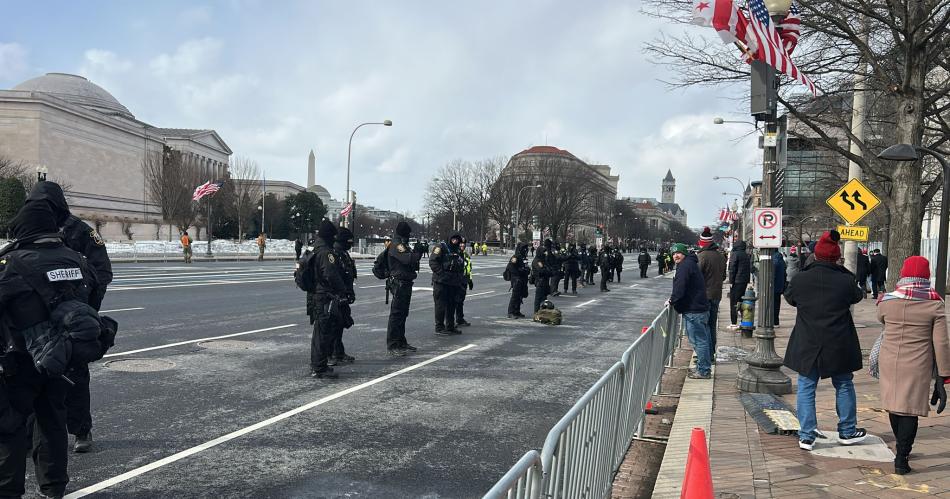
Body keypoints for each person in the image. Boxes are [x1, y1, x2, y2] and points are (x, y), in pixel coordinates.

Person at [0, 201, 104, 498]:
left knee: (10, 429)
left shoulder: (12, 265)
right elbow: (94, 295)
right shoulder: (76, 260)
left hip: (18, 359)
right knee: (52, 422)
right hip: (62, 358)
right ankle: (54, 488)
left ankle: (8, 491)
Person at [26, 181, 114, 453]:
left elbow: (102, 272)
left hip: (73, 316)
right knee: (32, 374)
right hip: (38, 320)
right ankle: (29, 436)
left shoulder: (80, 232)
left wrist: (86, 308)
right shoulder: (31, 229)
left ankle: (81, 430)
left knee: (75, 374)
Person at [783, 231, 866, 451]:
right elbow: (858, 296)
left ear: (816, 256)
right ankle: (847, 430)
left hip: (808, 340)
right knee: (844, 384)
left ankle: (807, 435)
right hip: (838, 341)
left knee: (806, 386)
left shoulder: (801, 279)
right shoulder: (845, 280)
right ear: (836, 257)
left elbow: (790, 298)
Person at [876, 256, 950, 475]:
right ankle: (902, 456)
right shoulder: (935, 304)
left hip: (889, 360)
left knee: (894, 404)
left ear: (903, 273)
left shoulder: (887, 301)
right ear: (927, 276)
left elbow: (881, 320)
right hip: (918, 363)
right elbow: (941, 342)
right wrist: (944, 376)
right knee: (909, 411)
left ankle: (901, 445)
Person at [308, 220, 346, 379]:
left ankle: (319, 365)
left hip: (317, 294)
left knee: (320, 331)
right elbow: (331, 274)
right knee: (323, 332)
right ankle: (319, 367)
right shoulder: (326, 253)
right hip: (325, 296)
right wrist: (342, 290)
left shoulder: (315, 250)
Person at [669, 243, 711, 379]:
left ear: (684, 254)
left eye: (679, 253)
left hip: (694, 309)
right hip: (698, 308)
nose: (676, 255)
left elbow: (680, 287)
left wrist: (672, 300)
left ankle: (704, 370)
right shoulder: (689, 264)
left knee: (699, 341)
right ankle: (702, 367)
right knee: (702, 340)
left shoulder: (685, 267)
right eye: (674, 253)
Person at [386, 222, 423, 356]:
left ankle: (401, 341)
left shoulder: (402, 244)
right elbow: (408, 259)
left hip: (405, 282)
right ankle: (393, 344)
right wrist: (418, 252)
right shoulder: (397, 245)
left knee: (402, 314)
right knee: (396, 315)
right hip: (399, 283)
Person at [329, 227, 356, 366]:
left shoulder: (343, 253)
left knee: (340, 324)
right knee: (334, 324)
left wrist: (349, 292)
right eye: (349, 241)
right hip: (335, 295)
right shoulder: (334, 254)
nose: (350, 244)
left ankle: (338, 352)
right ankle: (332, 353)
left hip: (344, 293)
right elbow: (335, 276)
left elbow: (349, 274)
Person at [697, 231, 726, 362]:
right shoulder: (720, 256)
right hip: (716, 294)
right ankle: (712, 353)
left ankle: (706, 356)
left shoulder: (702, 256)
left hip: (704, 296)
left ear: (702, 243)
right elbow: (724, 276)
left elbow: (696, 277)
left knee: (703, 326)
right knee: (712, 325)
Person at [430, 234, 466, 336]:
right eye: (453, 239)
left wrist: (461, 280)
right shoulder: (441, 247)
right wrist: (442, 274)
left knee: (452, 305)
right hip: (441, 281)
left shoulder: (458, 250)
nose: (455, 241)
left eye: (457, 240)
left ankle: (450, 326)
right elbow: (433, 262)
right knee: (440, 305)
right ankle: (439, 327)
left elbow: (461, 265)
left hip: (453, 282)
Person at [728, 240, 752, 329]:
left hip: (736, 281)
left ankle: (733, 322)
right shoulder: (746, 254)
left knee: (733, 302)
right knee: (741, 301)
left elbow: (732, 268)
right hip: (744, 280)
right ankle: (744, 320)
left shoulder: (735, 254)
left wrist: (731, 281)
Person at [506, 243, 530, 318]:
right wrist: (519, 271)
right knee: (515, 296)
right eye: (524, 248)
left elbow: (526, 267)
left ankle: (517, 311)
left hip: (523, 279)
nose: (525, 250)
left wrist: (527, 270)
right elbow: (511, 267)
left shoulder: (524, 257)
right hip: (517, 279)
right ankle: (510, 312)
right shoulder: (515, 257)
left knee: (520, 296)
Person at [531, 240, 554, 312]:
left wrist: (548, 271)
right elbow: (541, 271)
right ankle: (536, 312)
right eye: (543, 252)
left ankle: (543, 312)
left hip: (545, 282)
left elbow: (550, 270)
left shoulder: (544, 260)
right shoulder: (537, 261)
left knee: (544, 299)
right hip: (540, 282)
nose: (545, 253)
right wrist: (547, 271)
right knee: (538, 299)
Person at [456, 239, 473, 327]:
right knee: (456, 301)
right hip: (458, 280)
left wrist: (470, 280)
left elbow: (468, 268)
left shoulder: (465, 254)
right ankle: (454, 320)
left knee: (461, 301)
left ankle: (459, 319)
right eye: (461, 243)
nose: (462, 245)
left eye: (463, 244)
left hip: (464, 280)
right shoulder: (457, 254)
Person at [772, 250, 787, 326]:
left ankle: (773, 321)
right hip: (779, 286)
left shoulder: (774, 260)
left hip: (773, 286)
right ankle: (776, 321)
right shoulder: (782, 261)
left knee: (772, 304)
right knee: (777, 304)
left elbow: (773, 274)